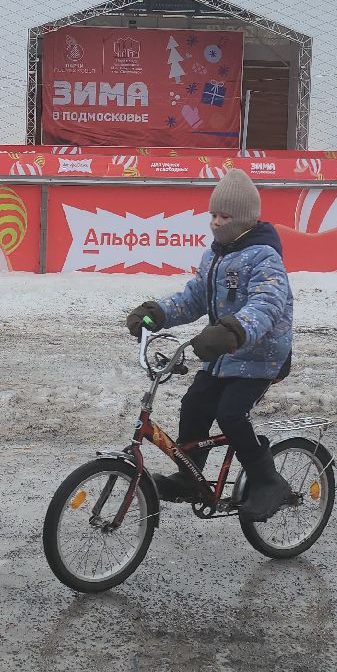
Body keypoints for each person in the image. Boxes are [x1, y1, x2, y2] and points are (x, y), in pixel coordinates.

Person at [125, 169, 295, 524]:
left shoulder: (264, 257)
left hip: (260, 356)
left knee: (231, 414)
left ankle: (268, 481)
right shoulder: (216, 256)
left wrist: (232, 331)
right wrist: (156, 313)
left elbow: (266, 304)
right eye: (213, 216)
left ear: (246, 219)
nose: (216, 223)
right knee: (195, 403)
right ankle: (191, 477)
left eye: (225, 216)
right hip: (224, 355)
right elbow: (192, 299)